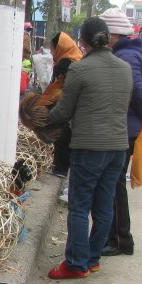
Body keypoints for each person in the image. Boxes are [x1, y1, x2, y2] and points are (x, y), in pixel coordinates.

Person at [29, 17, 134, 279]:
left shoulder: (80, 69)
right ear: (107, 38)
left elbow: (63, 111)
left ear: (83, 41)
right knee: (104, 205)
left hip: (89, 147)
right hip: (118, 148)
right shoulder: (125, 68)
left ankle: (76, 264)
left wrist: (39, 117)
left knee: (79, 206)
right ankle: (92, 258)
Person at [98, 8, 142, 258]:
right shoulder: (126, 52)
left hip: (124, 127)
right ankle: (116, 237)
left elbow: (138, 90)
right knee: (113, 183)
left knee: (115, 184)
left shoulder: (127, 55)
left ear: (112, 35)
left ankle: (120, 239)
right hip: (124, 125)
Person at [48, 32, 83, 177]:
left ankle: (60, 169)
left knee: (61, 137)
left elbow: (57, 90)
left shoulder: (64, 65)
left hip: (64, 107)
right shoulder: (79, 60)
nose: (51, 52)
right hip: (78, 109)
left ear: (60, 48)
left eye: (52, 49)